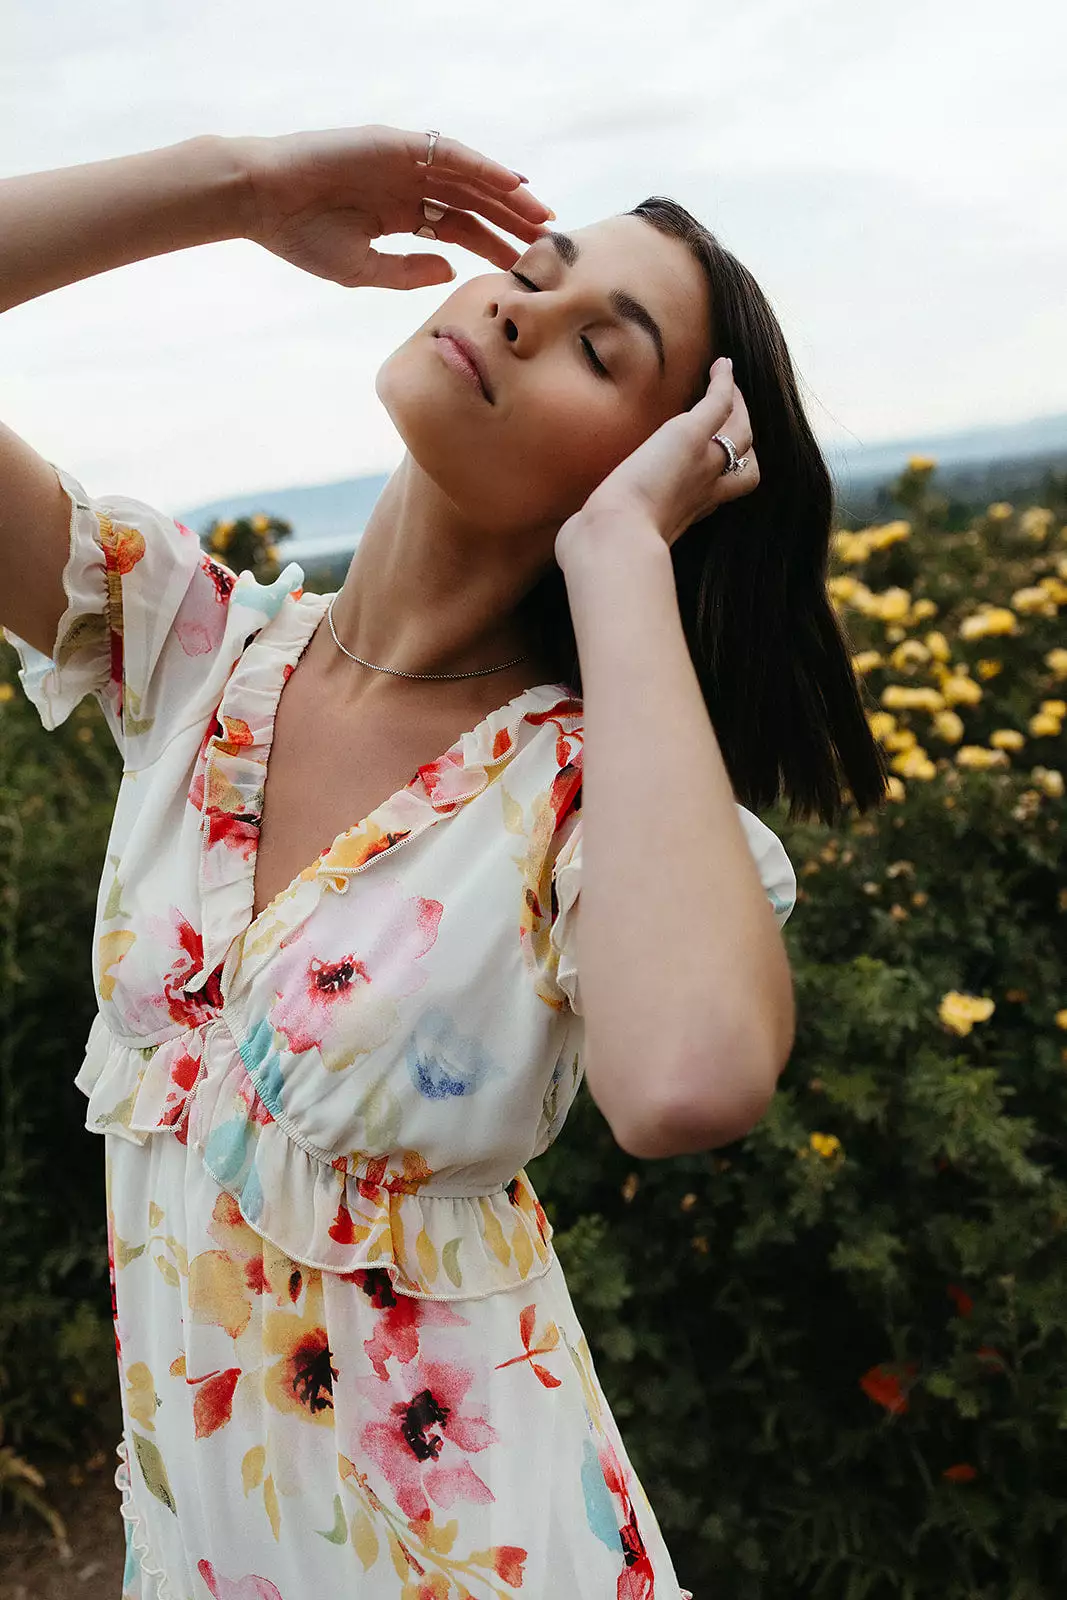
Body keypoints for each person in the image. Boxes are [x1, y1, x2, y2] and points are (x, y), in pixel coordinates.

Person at [0, 123, 889, 1599]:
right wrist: (240, 189)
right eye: (530, 272)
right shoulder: (192, 653)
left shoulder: (587, 795)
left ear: (656, 473)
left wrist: (620, 562)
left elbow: (688, 1079)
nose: (518, 309)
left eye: (599, 353)